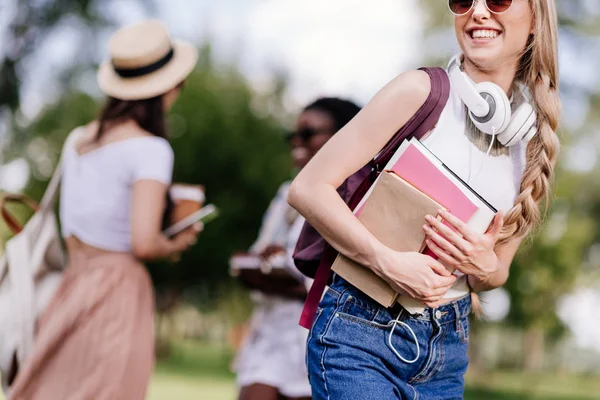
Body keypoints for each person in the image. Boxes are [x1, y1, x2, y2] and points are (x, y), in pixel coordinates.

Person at [288, 1, 560, 399]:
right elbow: (308, 188)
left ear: (536, 19)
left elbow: (496, 271)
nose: (478, 12)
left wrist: (484, 265)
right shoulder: (419, 91)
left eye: (498, 0)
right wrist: (386, 260)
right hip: (358, 331)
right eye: (464, 1)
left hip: (447, 348)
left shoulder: (533, 141)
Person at [9, 20, 201, 400]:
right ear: (167, 87)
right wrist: (179, 242)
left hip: (71, 282)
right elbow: (143, 243)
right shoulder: (151, 149)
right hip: (117, 289)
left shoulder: (77, 139)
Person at [234, 98, 362, 400]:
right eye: (293, 134)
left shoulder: (354, 196)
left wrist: (291, 276)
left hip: (315, 333)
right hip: (270, 330)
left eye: (308, 133)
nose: (297, 142)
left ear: (342, 135)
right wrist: (260, 263)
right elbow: (262, 249)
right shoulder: (284, 195)